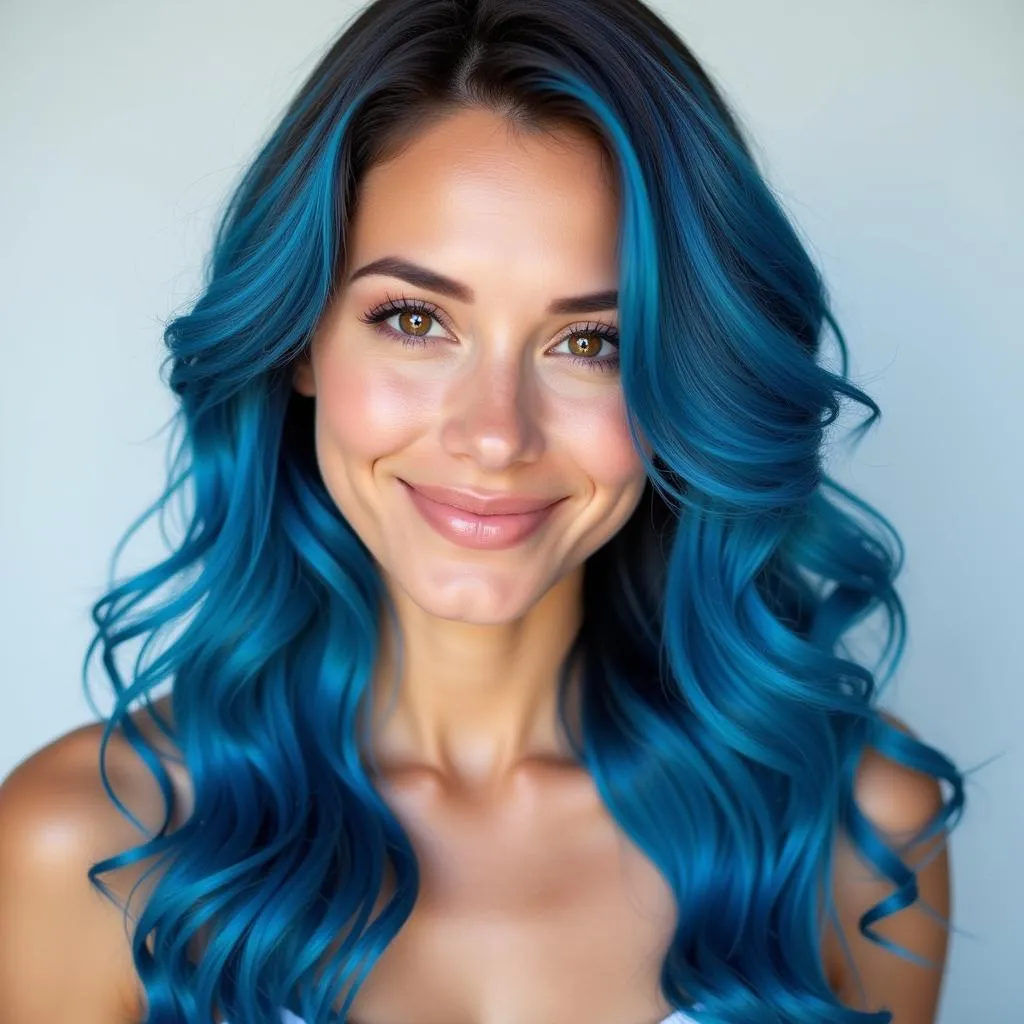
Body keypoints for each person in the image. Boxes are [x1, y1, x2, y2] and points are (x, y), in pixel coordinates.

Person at [0, 1, 966, 1022]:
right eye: (414, 320)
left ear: (682, 376)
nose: (495, 433)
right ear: (301, 340)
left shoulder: (855, 833)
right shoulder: (81, 847)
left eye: (592, 342)